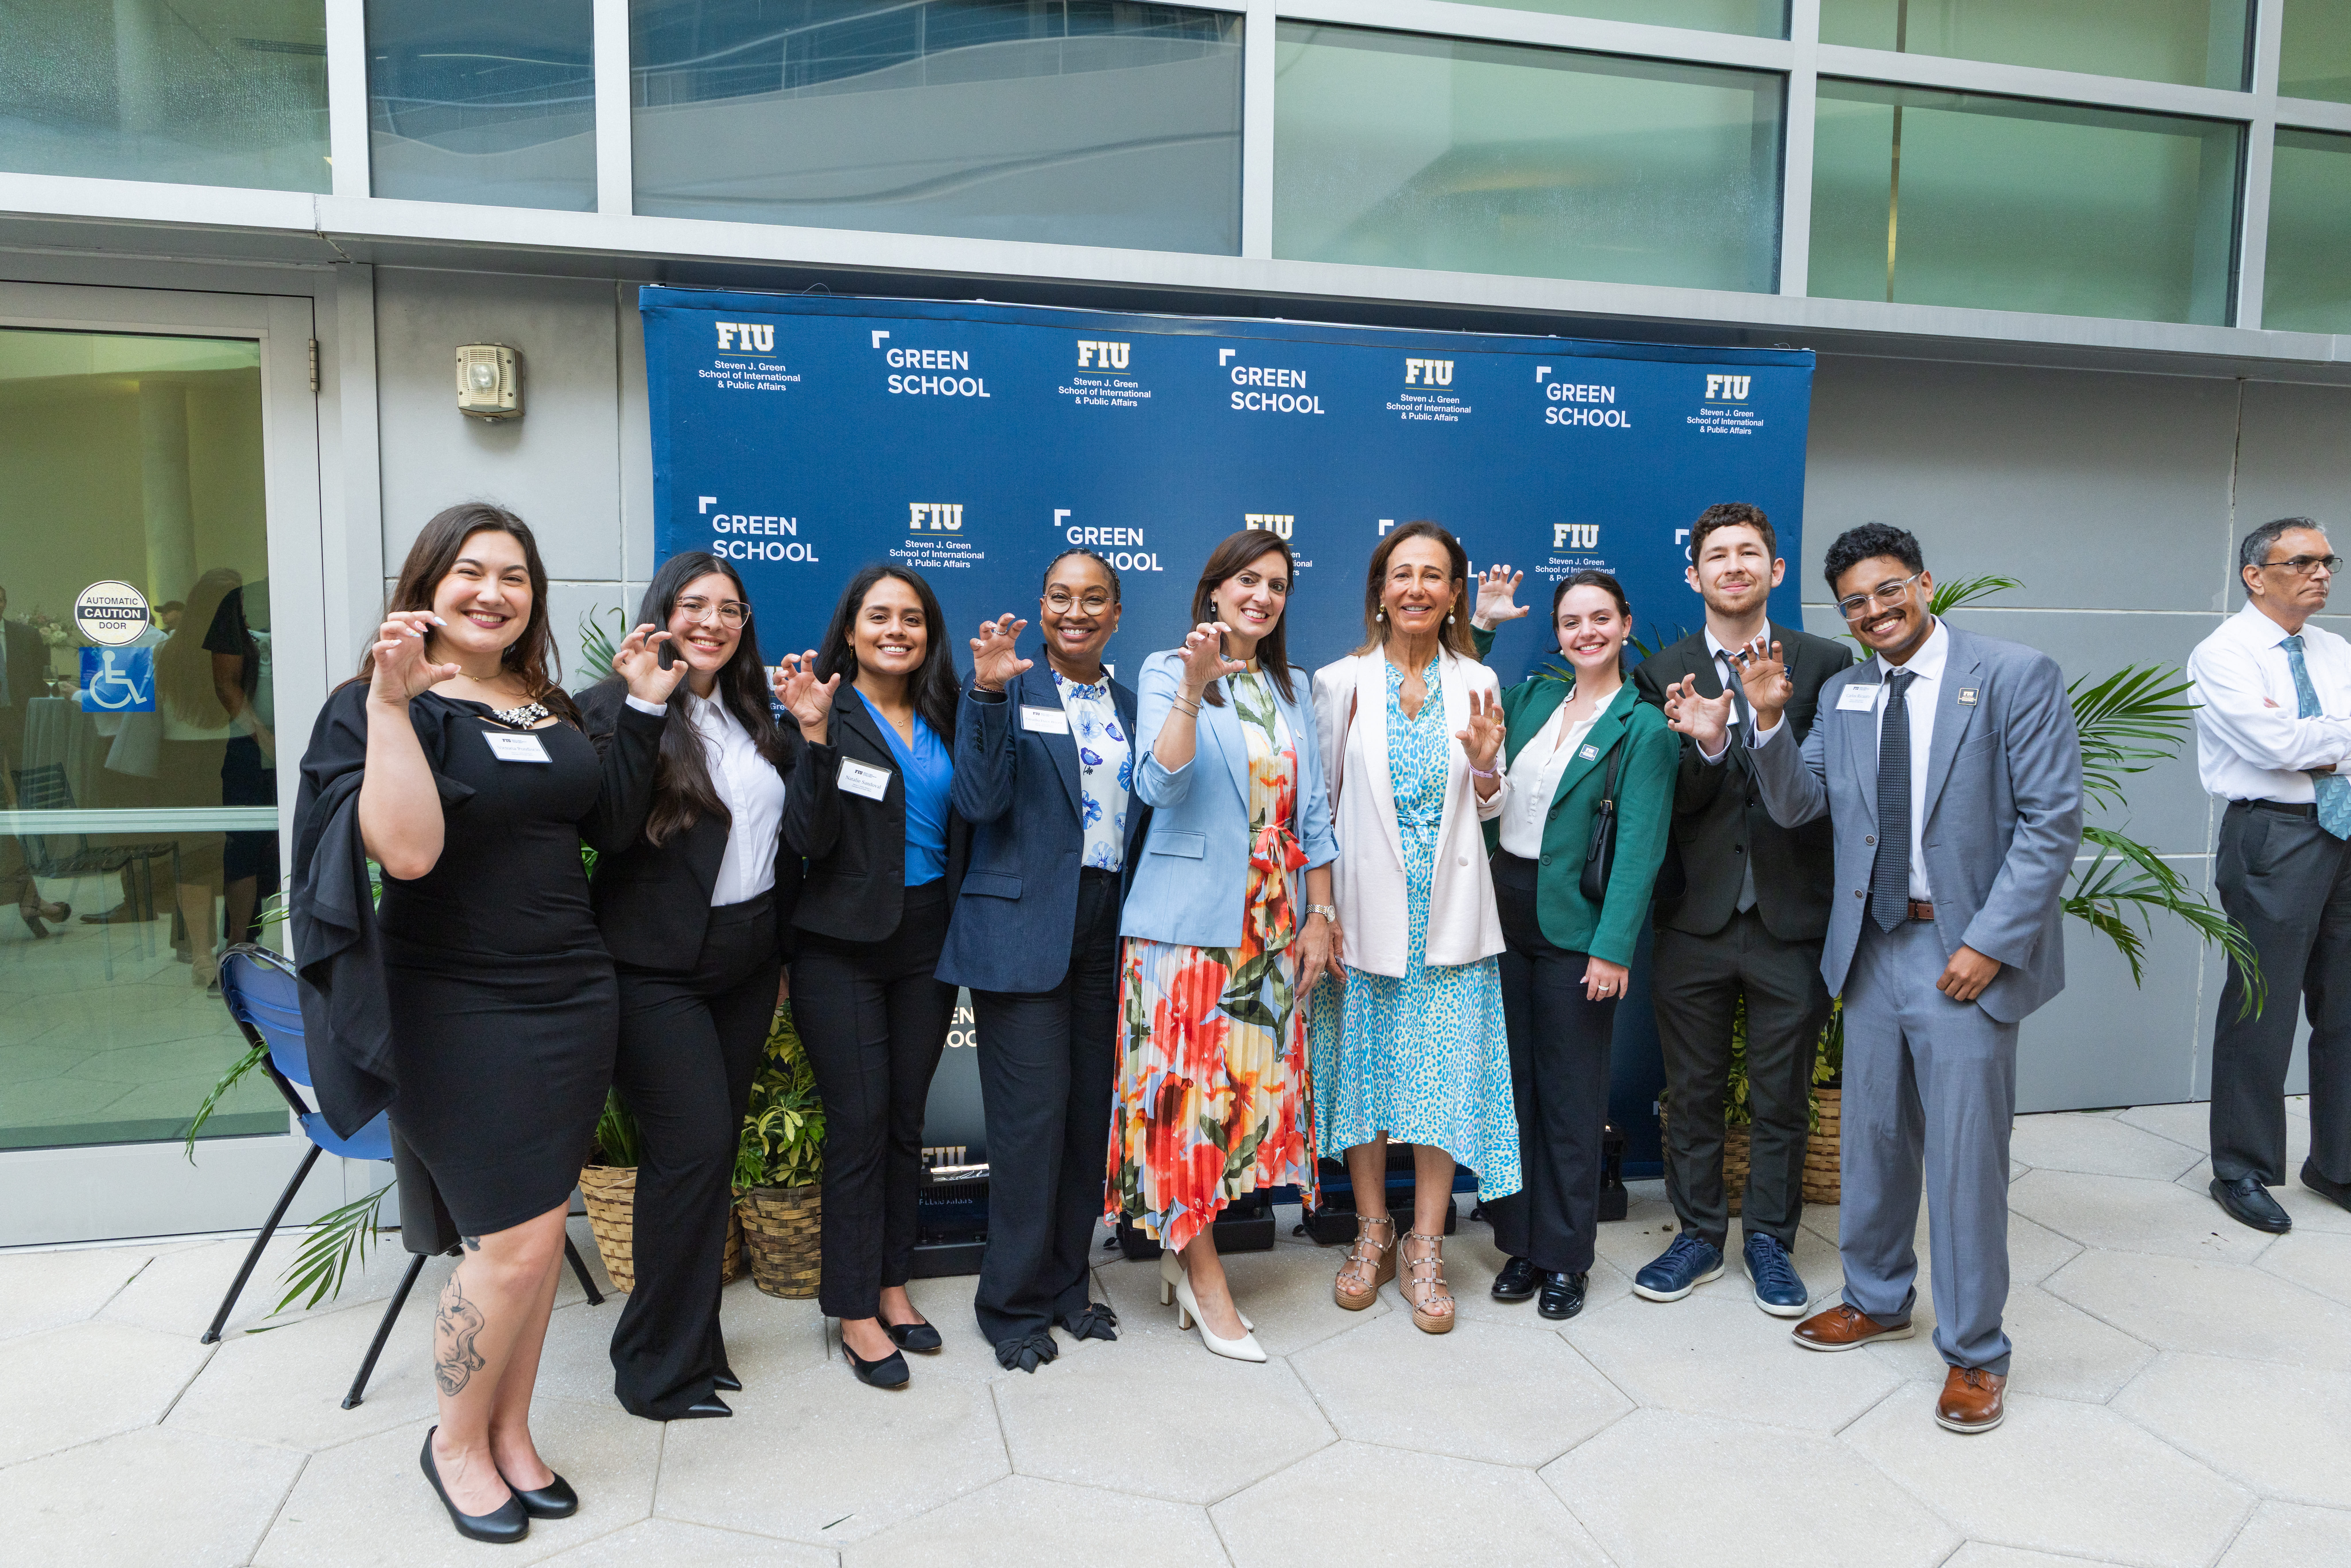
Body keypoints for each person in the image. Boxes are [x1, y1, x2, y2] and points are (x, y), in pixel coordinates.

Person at [293, 502, 679, 1541]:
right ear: (428, 583)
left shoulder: (542, 700)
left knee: (539, 1231)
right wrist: (388, 705)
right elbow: (407, 854)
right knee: (507, 1242)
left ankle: (509, 1431)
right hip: (457, 1004)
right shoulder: (381, 704)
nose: (493, 591)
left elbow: (600, 825)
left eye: (515, 575)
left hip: (571, 993)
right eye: (471, 570)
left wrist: (639, 710)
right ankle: (453, 1442)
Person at [1665, 521, 2082, 1437]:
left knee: (1966, 1160)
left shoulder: (2013, 675)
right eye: (1855, 602)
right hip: (1871, 949)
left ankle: (1976, 1352)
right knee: (1874, 1140)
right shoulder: (1847, 693)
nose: (1875, 612)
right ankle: (1878, 1295)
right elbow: (1798, 805)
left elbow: (2051, 822)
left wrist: (1991, 942)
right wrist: (1768, 723)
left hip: (1962, 953)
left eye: (1889, 591)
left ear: (1924, 583)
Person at [579, 551, 830, 1419]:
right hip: (654, 970)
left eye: (730, 608)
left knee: (709, 1158)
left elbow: (796, 837)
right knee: (687, 1155)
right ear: (663, 612)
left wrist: (818, 740)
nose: (713, 622)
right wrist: (648, 706)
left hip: (747, 960)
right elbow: (608, 830)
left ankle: (695, 1339)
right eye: (695, 605)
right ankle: (652, 1367)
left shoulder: (756, 714)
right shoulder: (614, 707)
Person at [1109, 529, 1338, 1362]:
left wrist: (1320, 915)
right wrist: (1192, 692)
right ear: (1213, 591)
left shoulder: (1292, 685)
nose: (1263, 595)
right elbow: (1159, 784)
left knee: (1237, 1105)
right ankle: (1203, 1281)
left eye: (1277, 584)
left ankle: (1184, 1254)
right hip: (1181, 933)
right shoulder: (1169, 671)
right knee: (1184, 1113)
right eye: (1248, 580)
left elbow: (1311, 818)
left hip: (1270, 930)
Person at [1626, 503, 1853, 1315]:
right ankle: (1696, 1235)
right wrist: (1712, 742)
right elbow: (1667, 806)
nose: (1733, 566)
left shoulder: (1828, 663)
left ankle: (1769, 1240)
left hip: (1794, 916)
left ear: (1775, 571)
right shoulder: (1663, 673)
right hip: (1695, 916)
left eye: (1748, 553)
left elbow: (1832, 798)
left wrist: (1760, 723)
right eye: (1716, 555)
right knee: (1691, 1091)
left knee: (1781, 1093)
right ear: (1694, 575)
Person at [1310, 521, 1516, 1335]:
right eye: (1403, 574)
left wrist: (1489, 766)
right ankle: (1371, 1231)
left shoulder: (1479, 681)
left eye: (1435, 575)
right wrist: (1319, 916)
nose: (1418, 588)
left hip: (1451, 915)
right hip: (1362, 914)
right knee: (1366, 1078)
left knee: (1438, 1082)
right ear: (1379, 590)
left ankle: (1425, 1244)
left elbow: (1494, 805)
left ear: (1455, 594)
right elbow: (1317, 811)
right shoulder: (1339, 683)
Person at [941, 549, 1145, 1371]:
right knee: (1029, 1129)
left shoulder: (1135, 706)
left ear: (1118, 615)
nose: (1076, 611)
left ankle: (1067, 1287)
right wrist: (988, 693)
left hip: (1107, 930)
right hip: (1025, 930)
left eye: (1095, 599)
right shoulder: (1005, 688)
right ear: (1042, 603)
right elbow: (980, 803)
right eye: (1060, 596)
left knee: (1083, 1122)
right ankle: (1011, 1305)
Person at [1468, 568, 1675, 1321]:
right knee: (1515, 1092)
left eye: (1600, 619)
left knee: (1569, 1098)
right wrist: (1484, 624)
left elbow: (1641, 850)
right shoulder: (1528, 701)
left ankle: (1566, 1257)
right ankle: (1521, 1244)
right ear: (1555, 634)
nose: (1585, 632)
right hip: (1505, 910)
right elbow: (1456, 683)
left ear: (1625, 624)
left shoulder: (1642, 726)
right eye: (1570, 622)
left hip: (1578, 927)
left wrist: (1613, 948)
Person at [784, 564, 967, 1390]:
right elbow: (808, 838)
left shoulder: (947, 712)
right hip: (840, 945)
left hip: (928, 937)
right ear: (851, 630)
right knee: (858, 1122)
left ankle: (893, 1284)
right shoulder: (822, 709)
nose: (897, 630)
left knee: (902, 1118)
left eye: (913, 619)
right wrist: (816, 740)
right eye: (880, 617)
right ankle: (853, 1308)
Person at [2187, 517, 2351, 1233]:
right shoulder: (2222, 653)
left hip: (2344, 829)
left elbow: (2302, 740)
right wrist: (2321, 740)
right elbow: (2276, 744)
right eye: (2303, 561)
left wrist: (2321, 744)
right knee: (2264, 1003)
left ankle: (2336, 1163)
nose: (2320, 573)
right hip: (2274, 835)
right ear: (2256, 574)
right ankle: (2241, 1167)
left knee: (2345, 1005)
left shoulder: (2335, 650)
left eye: (2328, 561)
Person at [0, 581, 70, 936]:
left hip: (18, 720)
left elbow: (45, 677)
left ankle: (31, 897)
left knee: (17, 807)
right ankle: (31, 899)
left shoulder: (25, 636)